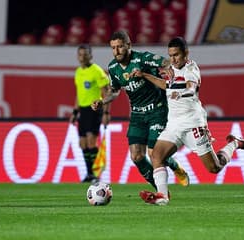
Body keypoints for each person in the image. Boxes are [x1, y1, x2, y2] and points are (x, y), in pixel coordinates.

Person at [134, 37, 244, 205]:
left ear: (186, 53)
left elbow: (190, 87)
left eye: (176, 55)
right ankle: (163, 196)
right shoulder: (171, 68)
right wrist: (145, 75)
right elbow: (167, 85)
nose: (173, 59)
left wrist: (179, 93)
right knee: (156, 155)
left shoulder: (191, 69)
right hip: (174, 124)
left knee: (214, 168)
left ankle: (234, 143)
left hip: (193, 124)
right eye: (170, 55)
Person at [91, 30, 189, 189]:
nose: (116, 51)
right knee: (136, 156)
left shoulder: (142, 59)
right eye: (113, 48)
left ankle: (175, 166)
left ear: (128, 45)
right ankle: (158, 188)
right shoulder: (113, 67)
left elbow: (164, 61)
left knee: (154, 153)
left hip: (157, 110)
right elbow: (114, 90)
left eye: (120, 47)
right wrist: (103, 101)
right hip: (137, 114)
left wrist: (167, 68)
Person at [71, 44, 111, 183]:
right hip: (82, 110)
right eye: (80, 55)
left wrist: (106, 112)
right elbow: (78, 93)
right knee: (82, 143)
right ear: (77, 56)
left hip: (94, 109)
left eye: (85, 54)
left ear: (91, 56)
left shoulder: (97, 71)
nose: (82, 57)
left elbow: (106, 92)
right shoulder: (78, 72)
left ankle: (95, 174)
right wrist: (75, 111)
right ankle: (89, 173)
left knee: (91, 140)